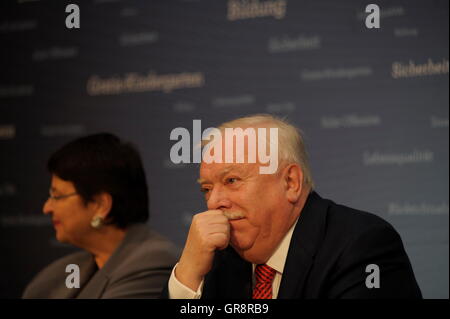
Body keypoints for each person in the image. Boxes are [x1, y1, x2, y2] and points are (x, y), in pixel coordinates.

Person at [164, 114, 422, 299]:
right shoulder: (216, 258)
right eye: (206, 189)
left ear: (290, 182)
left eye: (232, 180)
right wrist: (187, 275)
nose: (214, 202)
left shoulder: (362, 245)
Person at [23, 133, 178, 298]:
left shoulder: (152, 261)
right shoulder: (60, 272)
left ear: (100, 205)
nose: (47, 208)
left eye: (57, 196)